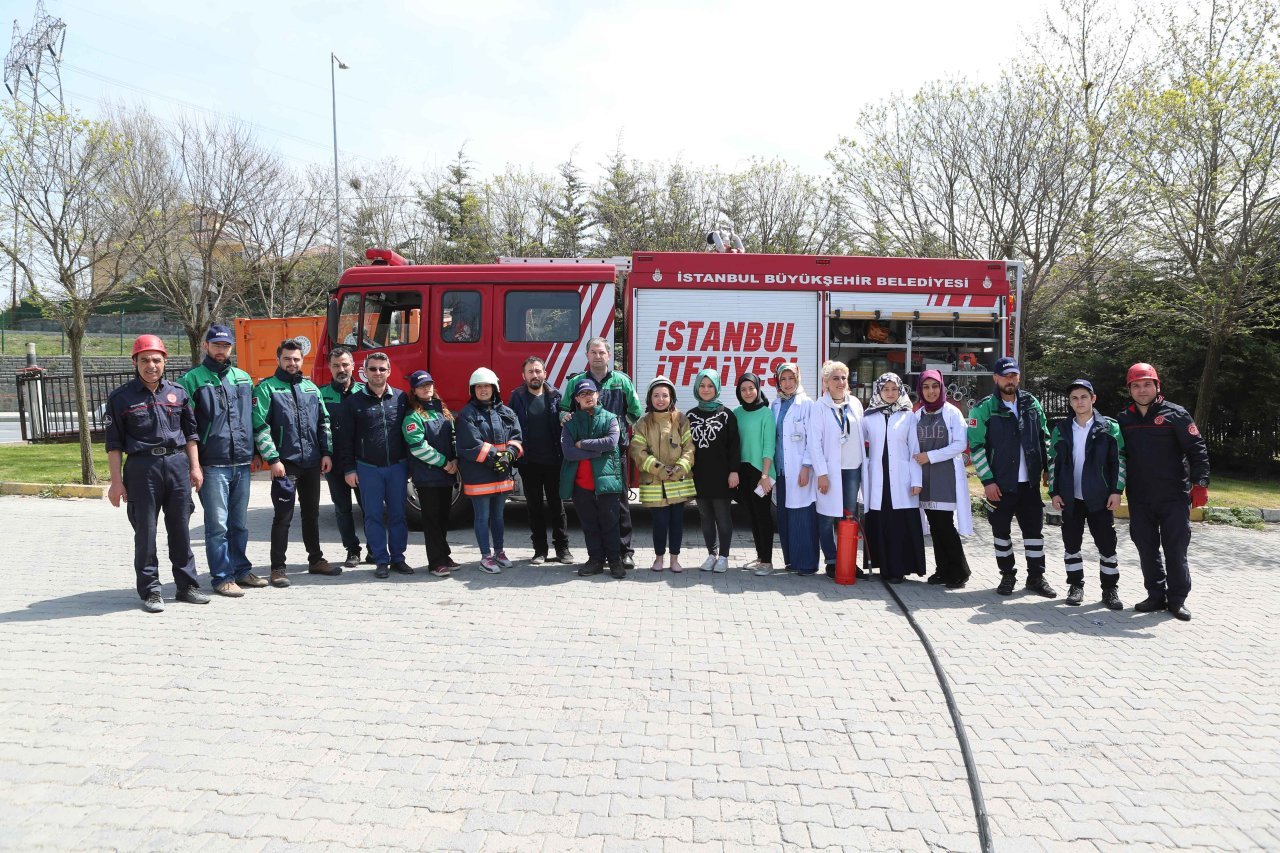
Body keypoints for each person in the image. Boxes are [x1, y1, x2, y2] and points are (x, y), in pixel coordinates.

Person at [104, 335, 209, 613]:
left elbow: (191, 435)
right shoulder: (121, 398)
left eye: (156, 360)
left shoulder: (179, 393)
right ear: (135, 362)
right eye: (145, 360)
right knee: (146, 533)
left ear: (164, 362)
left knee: (181, 530)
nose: (151, 365)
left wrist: (195, 467)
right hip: (142, 469)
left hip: (177, 466)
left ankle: (187, 586)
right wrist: (116, 483)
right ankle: (151, 590)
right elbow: (113, 445)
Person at [1116, 363, 1209, 622]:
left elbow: (1197, 449)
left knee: (1175, 549)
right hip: (1140, 497)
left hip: (1173, 496)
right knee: (1146, 548)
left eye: (1147, 384)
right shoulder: (1123, 419)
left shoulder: (1176, 414)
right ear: (1129, 390)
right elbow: (1117, 457)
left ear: (1157, 386)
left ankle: (1177, 600)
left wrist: (1200, 484)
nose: (1142, 390)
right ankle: (1155, 595)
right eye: (1136, 385)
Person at [179, 324, 260, 598]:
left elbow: (253, 418)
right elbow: (186, 426)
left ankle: (241, 570)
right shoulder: (192, 380)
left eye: (226, 346)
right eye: (216, 345)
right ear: (206, 346)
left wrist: (256, 452)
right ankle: (222, 577)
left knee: (240, 524)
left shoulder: (243, 378)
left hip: (241, 462)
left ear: (231, 348)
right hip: (212, 465)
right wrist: (194, 465)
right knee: (218, 526)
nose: (221, 350)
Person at [967, 357, 1055, 598]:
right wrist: (987, 481)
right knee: (1001, 533)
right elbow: (976, 447)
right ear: (995, 378)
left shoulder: (1031, 403)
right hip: (1000, 484)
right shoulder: (984, 408)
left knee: (1034, 534)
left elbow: (1044, 437)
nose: (1010, 380)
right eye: (1005, 376)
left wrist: (1048, 468)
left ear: (1018, 377)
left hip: (1030, 484)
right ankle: (1007, 575)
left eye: (1013, 375)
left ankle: (1036, 578)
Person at [253, 339, 336, 587]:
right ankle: (278, 568)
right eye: (287, 358)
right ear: (278, 359)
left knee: (312, 514)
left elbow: (324, 422)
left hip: (311, 462)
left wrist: (326, 453)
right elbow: (260, 426)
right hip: (285, 464)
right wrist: (273, 459)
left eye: (296, 359)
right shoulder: (266, 388)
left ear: (302, 360)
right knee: (283, 516)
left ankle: (316, 560)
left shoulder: (311, 388)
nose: (292, 363)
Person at [560, 337, 643, 569]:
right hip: (585, 458)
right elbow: (563, 410)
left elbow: (635, 412)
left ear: (609, 355)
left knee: (619, 503)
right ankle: (599, 555)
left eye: (602, 352)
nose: (598, 356)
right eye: (593, 352)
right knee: (590, 507)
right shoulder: (576, 382)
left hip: (615, 452)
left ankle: (624, 552)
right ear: (587, 355)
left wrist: (619, 429)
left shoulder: (622, 381)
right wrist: (565, 418)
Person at [1048, 379, 1125, 609]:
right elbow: (1053, 463)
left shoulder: (1109, 428)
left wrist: (1116, 491)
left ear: (1093, 398)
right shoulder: (1061, 429)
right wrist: (1054, 492)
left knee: (1107, 545)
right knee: (1071, 544)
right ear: (1070, 402)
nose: (1079, 401)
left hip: (1100, 498)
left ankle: (1110, 590)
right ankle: (1075, 586)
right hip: (1070, 498)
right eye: (1074, 398)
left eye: (1083, 397)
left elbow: (1119, 461)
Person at [336, 352, 410, 579]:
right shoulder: (353, 402)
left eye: (382, 369)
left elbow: (410, 434)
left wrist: (411, 467)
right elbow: (345, 439)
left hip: (397, 467)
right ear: (365, 372)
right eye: (373, 369)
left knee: (398, 515)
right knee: (373, 516)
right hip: (368, 468)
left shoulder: (401, 398)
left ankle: (398, 558)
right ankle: (380, 560)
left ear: (389, 371)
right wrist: (349, 469)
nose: (377, 373)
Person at [456, 367, 524, 573]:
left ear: (495, 388)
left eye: (487, 386)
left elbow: (517, 437)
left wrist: (510, 454)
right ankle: (485, 557)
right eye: (479, 387)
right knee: (482, 517)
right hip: (480, 474)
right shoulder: (467, 414)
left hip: (501, 472)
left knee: (498, 516)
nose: (483, 390)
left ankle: (499, 552)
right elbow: (470, 443)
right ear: (473, 390)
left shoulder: (507, 412)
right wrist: (496, 457)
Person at [861, 373, 926, 584]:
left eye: (894, 389)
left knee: (899, 524)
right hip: (878, 478)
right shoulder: (868, 417)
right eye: (885, 389)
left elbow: (915, 449)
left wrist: (916, 480)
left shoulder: (909, 416)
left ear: (900, 390)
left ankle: (899, 569)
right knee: (881, 521)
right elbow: (859, 445)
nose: (890, 393)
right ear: (878, 391)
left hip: (902, 479)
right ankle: (883, 567)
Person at [509, 356, 573, 565]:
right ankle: (539, 550)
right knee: (534, 508)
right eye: (530, 372)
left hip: (554, 461)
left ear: (545, 373)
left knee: (557, 506)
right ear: (523, 376)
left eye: (538, 371)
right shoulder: (517, 397)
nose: (534, 375)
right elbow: (510, 426)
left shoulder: (556, 396)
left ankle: (563, 549)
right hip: (529, 463)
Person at [913, 369, 973, 589]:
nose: (931, 391)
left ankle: (960, 571)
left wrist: (930, 456)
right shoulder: (917, 414)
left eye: (935, 386)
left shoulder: (952, 412)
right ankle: (942, 569)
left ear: (942, 387)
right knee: (934, 526)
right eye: (926, 387)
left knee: (945, 525)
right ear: (920, 390)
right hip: (925, 477)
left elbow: (960, 444)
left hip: (945, 476)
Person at [561, 378, 627, 578]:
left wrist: (583, 444)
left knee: (611, 523)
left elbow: (611, 442)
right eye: (582, 394)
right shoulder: (571, 422)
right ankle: (595, 560)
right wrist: (597, 452)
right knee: (589, 525)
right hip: (581, 484)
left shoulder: (611, 418)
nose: (587, 397)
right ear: (576, 399)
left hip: (607, 481)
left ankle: (615, 560)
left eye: (590, 393)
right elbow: (568, 452)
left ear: (597, 394)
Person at [631, 376, 696, 573]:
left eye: (665, 395)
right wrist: (658, 469)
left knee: (677, 523)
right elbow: (637, 451)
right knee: (659, 524)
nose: (660, 399)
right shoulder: (643, 423)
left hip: (678, 481)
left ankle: (674, 560)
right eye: (656, 395)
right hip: (655, 482)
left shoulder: (681, 420)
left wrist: (679, 468)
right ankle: (658, 558)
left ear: (671, 398)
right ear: (649, 398)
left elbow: (689, 448)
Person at [811, 360, 865, 576]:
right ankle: (832, 560)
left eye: (843, 378)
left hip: (852, 468)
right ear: (826, 382)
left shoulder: (855, 403)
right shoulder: (819, 407)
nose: (841, 382)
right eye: (835, 378)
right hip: (830, 470)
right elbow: (814, 443)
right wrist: (822, 473)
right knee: (826, 517)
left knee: (849, 517)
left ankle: (848, 559)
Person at [403, 371, 458, 577]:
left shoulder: (443, 411)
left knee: (443, 519)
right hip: (427, 478)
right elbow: (418, 447)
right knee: (432, 520)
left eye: (429, 384)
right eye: (421, 386)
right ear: (414, 390)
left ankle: (444, 555)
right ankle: (436, 562)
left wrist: (456, 460)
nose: (426, 388)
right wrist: (445, 463)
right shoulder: (413, 416)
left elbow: (454, 438)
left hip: (446, 476)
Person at [686, 369, 740, 573]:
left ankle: (724, 556)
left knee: (722, 517)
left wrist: (734, 471)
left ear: (717, 388)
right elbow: (686, 447)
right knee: (705, 517)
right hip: (699, 476)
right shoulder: (690, 415)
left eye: (710, 385)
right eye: (702, 385)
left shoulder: (726, 415)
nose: (706, 389)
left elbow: (734, 446)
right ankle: (711, 554)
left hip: (722, 476)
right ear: (696, 388)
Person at [318, 345, 367, 568]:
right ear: (329, 367)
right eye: (336, 365)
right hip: (334, 462)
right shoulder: (320, 394)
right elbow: (317, 427)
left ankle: (375, 549)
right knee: (342, 508)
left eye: (345, 364)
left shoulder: (365, 392)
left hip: (363, 461)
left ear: (353, 366)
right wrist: (323, 454)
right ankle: (352, 550)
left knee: (369, 507)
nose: (341, 369)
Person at [770, 363, 820, 576]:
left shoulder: (807, 404)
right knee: (784, 516)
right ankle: (791, 560)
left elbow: (813, 439)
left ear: (798, 379)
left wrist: (807, 466)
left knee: (803, 516)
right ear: (778, 381)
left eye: (791, 378)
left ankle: (807, 563)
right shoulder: (775, 404)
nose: (788, 383)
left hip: (800, 469)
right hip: (781, 470)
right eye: (783, 379)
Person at [733, 373, 776, 573]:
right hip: (743, 471)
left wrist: (765, 476)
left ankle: (767, 561)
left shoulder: (766, 413)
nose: (748, 392)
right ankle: (760, 557)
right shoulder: (736, 413)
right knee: (752, 515)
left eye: (751, 388)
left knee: (763, 516)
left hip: (761, 472)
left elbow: (769, 446)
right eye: (743, 389)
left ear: (758, 389)